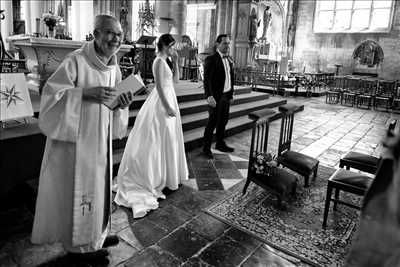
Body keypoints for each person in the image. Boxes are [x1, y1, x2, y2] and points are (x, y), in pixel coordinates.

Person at [31, 15, 133, 265]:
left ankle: (97, 235)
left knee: (99, 189)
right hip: (76, 143)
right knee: (81, 191)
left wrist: (121, 104)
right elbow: (51, 97)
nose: (115, 39)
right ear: (96, 34)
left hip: (101, 139)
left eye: (119, 34)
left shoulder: (113, 64)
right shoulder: (75, 60)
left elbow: (112, 99)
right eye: (110, 33)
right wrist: (85, 93)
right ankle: (80, 247)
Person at [114, 34, 188, 218]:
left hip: (171, 99)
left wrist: (177, 62)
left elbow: (176, 81)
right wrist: (168, 107)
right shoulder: (157, 61)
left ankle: (167, 174)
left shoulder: (168, 60)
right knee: (156, 137)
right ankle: (151, 176)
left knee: (169, 138)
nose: (173, 49)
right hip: (161, 102)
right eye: (171, 46)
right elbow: (160, 88)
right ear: (164, 45)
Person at [202, 34, 235, 159]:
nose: (227, 45)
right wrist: (209, 96)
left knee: (223, 121)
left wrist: (231, 94)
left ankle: (220, 143)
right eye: (225, 43)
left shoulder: (229, 59)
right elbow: (207, 80)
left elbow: (231, 78)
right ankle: (206, 148)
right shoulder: (211, 59)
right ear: (218, 44)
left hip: (226, 95)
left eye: (228, 43)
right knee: (212, 122)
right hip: (215, 97)